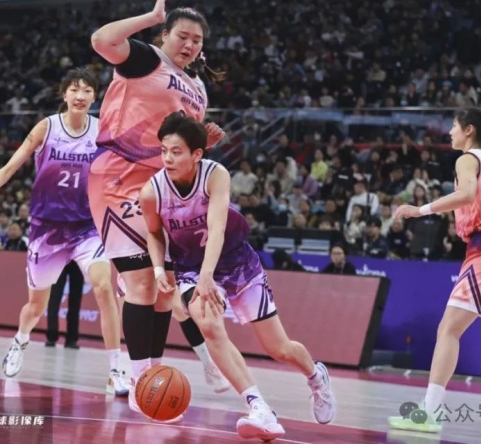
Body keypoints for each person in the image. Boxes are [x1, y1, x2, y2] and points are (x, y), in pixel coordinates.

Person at [139, 113, 336, 439]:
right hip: (191, 267)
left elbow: (216, 228)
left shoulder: (216, 175)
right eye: (163, 151)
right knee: (209, 325)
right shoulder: (152, 191)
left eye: (176, 151)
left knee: (279, 348)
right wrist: (160, 268)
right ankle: (259, 407)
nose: (168, 158)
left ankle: (316, 377)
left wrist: (208, 275)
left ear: (197, 154)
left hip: (237, 263)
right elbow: (154, 233)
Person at [88, 0, 228, 418]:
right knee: (143, 283)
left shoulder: (198, 89)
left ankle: (151, 375)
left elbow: (178, 146)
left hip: (158, 188)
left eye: (197, 40)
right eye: (182, 35)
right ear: (166, 35)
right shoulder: (147, 60)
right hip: (118, 178)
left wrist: (203, 143)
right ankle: (139, 379)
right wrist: (151, 16)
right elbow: (101, 40)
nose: (189, 44)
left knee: (165, 290)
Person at [0, 68, 130, 397]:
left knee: (104, 289)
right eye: (74, 89)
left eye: (87, 90)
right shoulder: (47, 127)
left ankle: (116, 370)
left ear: (95, 96)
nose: (80, 95)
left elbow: (124, 168)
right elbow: (11, 166)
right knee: (35, 307)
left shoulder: (102, 130)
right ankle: (20, 340)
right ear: (64, 94)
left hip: (87, 227)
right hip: (47, 230)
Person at [388, 104, 481, 437]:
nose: (450, 131)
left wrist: (420, 210)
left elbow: (465, 194)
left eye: (453, 125)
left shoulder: (468, 159)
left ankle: (428, 413)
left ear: (469, 129)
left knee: (448, 329)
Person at [45, 261, 83, 348]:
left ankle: (72, 338)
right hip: (60, 258)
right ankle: (51, 335)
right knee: (54, 298)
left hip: (77, 259)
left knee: (75, 299)